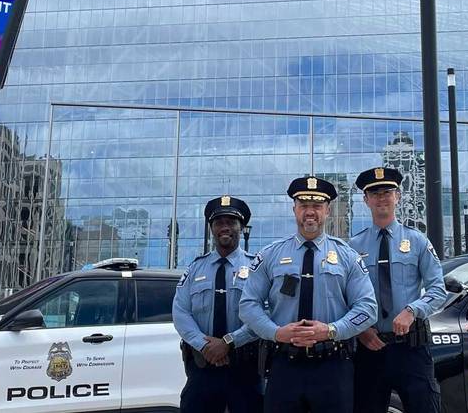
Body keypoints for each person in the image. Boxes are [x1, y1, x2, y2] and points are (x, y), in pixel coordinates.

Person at [238, 176, 377, 413]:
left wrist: (332, 330)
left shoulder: (347, 256)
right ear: (294, 209)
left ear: (327, 210)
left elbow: (368, 309)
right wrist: (276, 332)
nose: (310, 212)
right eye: (304, 206)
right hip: (284, 365)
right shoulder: (270, 255)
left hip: (333, 367)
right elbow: (248, 306)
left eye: (317, 206)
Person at [348, 166, 446, 413]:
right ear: (366, 199)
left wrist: (413, 310)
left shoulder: (417, 241)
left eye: (388, 192)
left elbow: (438, 290)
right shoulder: (353, 246)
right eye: (375, 192)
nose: (382, 197)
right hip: (370, 347)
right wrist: (360, 330)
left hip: (410, 349)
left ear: (398, 197)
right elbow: (345, 296)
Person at [173, 195, 261, 413]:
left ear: (241, 227)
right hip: (203, 367)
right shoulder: (195, 269)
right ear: (211, 228)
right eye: (219, 222)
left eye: (231, 222)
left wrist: (229, 342)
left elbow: (263, 313)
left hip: (244, 368)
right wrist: (205, 345)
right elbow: (181, 312)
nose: (225, 227)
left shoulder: (257, 268)